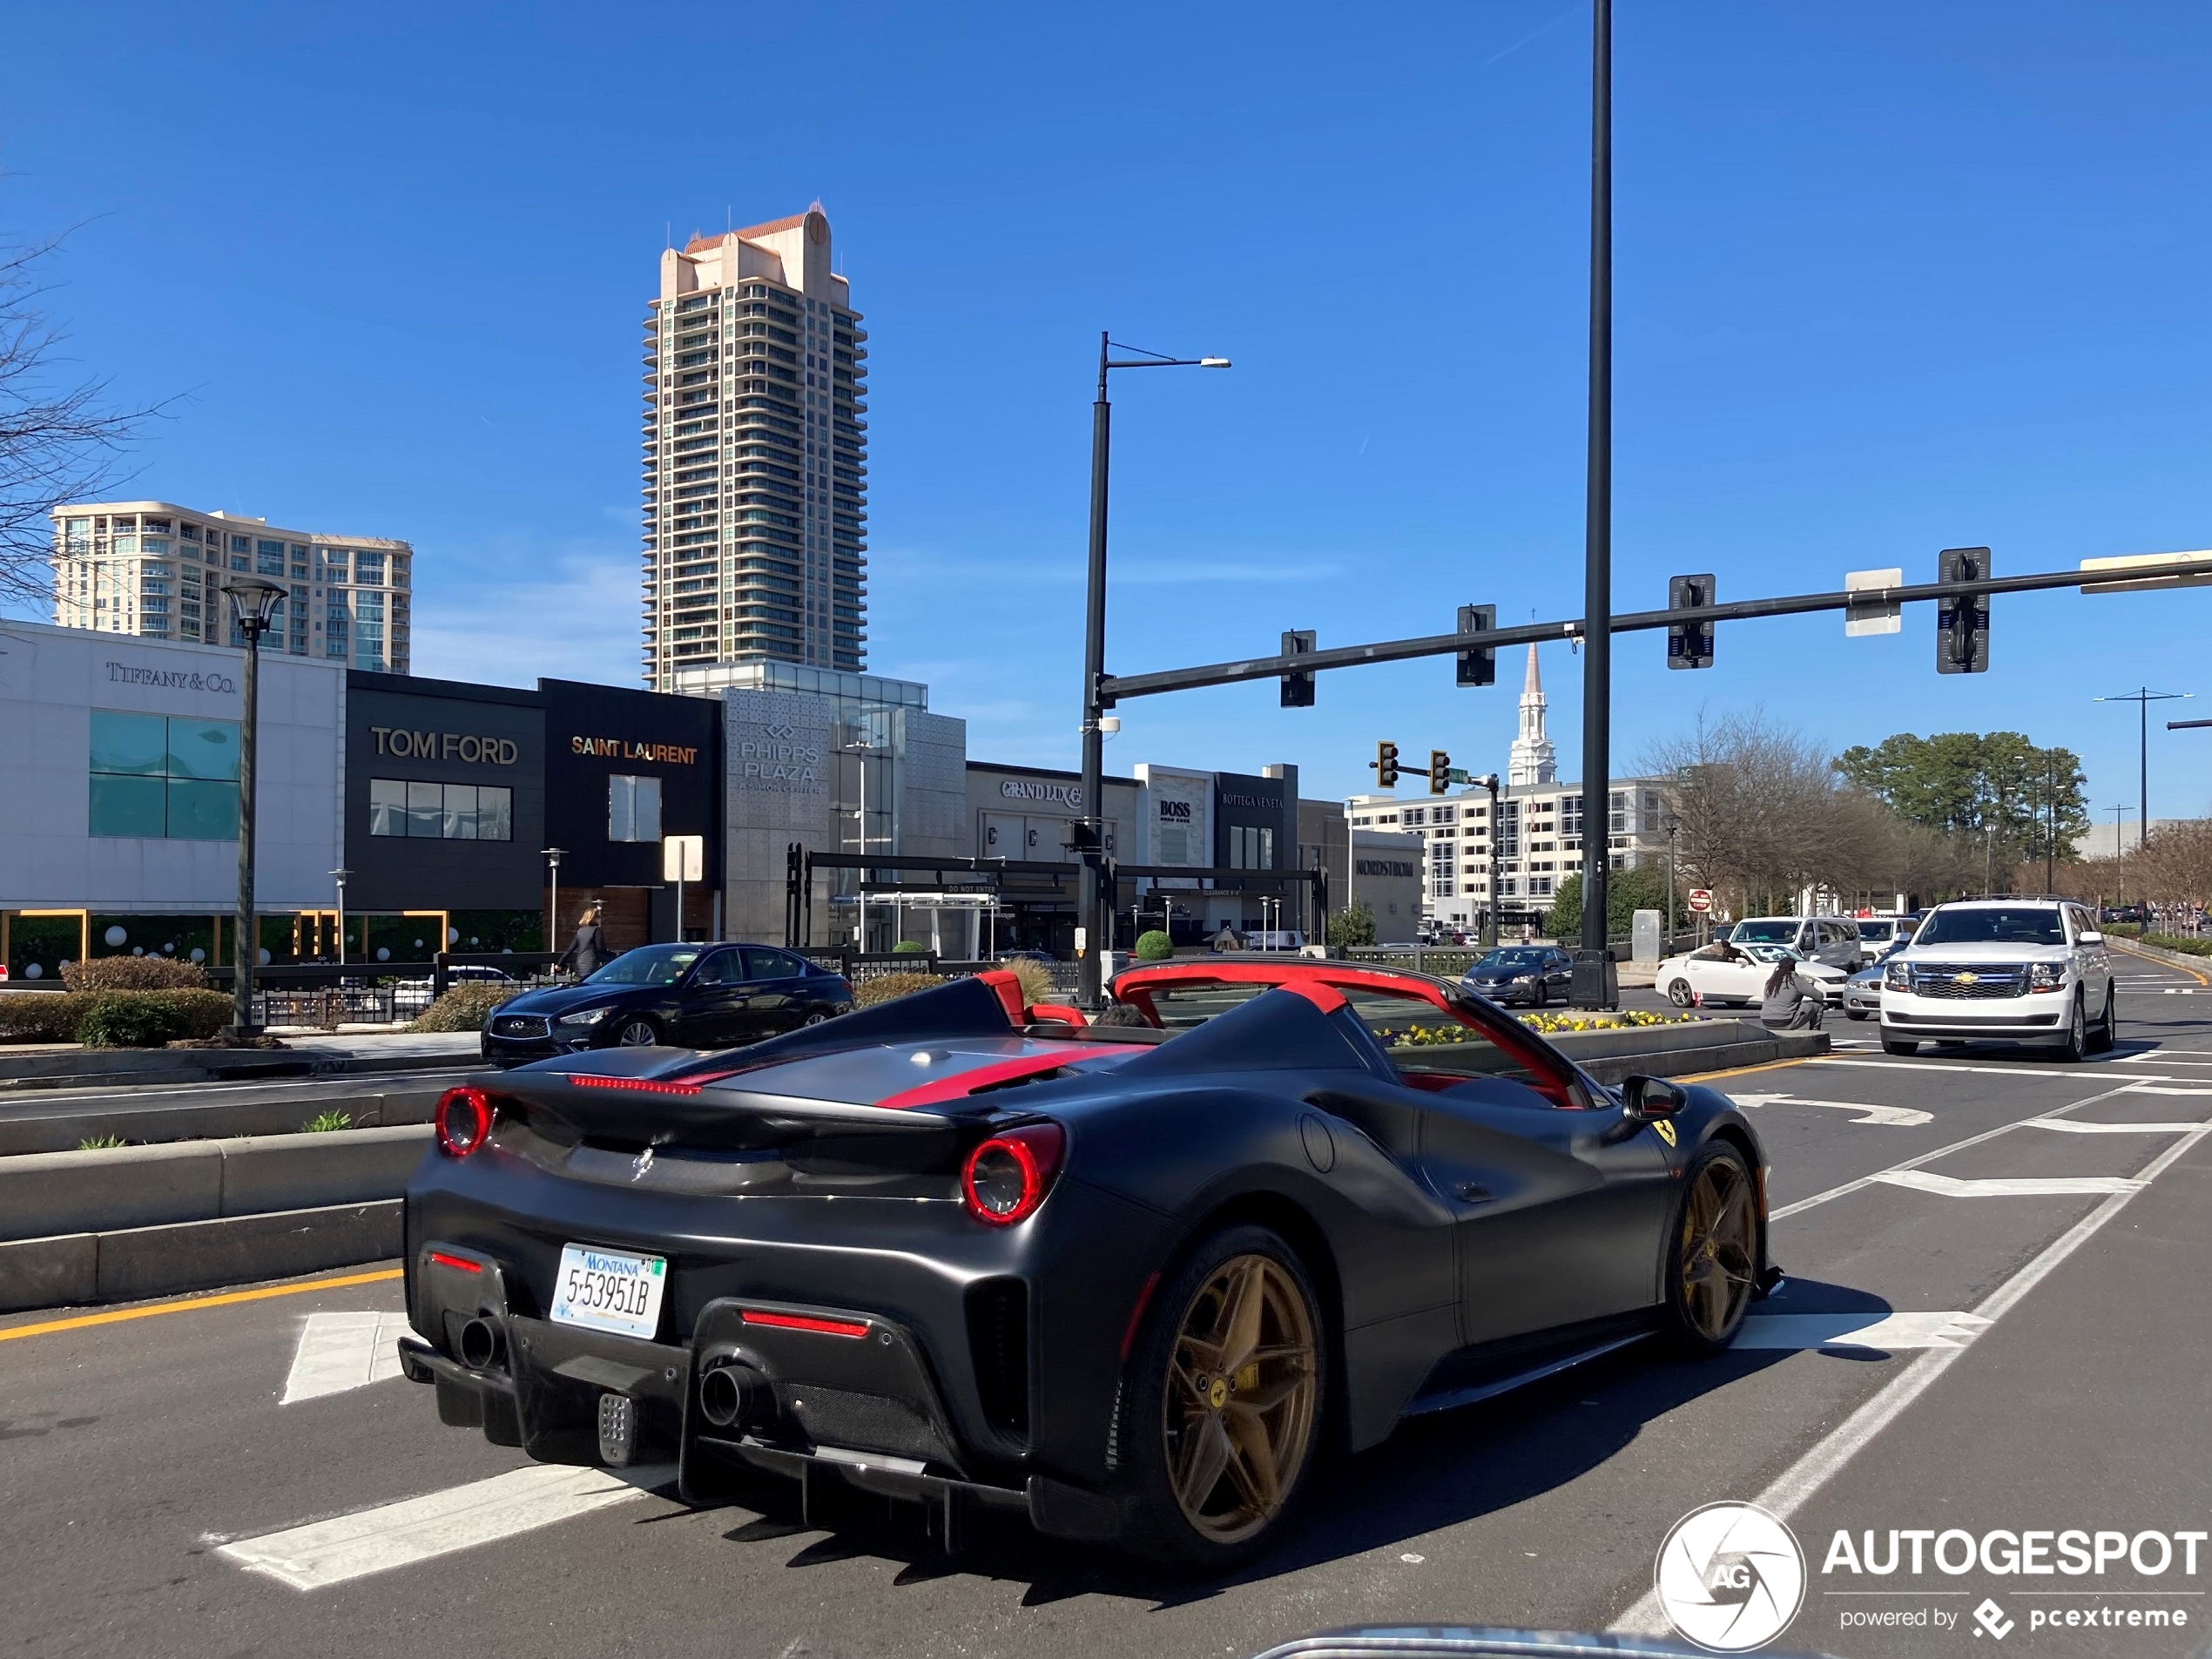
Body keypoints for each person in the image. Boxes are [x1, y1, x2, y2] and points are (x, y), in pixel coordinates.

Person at [1760, 954, 1824, 1030]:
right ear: (1793, 967)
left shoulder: (1770, 982)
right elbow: (1819, 996)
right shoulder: (1795, 980)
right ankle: (1815, 1033)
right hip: (1785, 1022)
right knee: (1818, 1005)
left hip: (1767, 1022)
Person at [558, 904, 608, 979]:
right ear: (594, 918)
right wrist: (612, 956)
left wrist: (560, 963)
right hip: (591, 963)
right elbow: (600, 949)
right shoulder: (597, 930)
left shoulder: (580, 931)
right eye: (599, 917)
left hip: (580, 964)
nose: (600, 919)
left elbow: (570, 949)